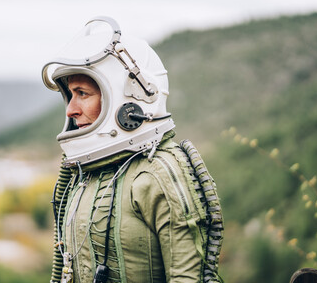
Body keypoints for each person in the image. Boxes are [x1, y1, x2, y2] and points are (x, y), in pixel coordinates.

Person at [41, 16, 223, 283]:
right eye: (70, 95)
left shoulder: (158, 173)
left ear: (126, 98)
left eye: (83, 93)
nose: (71, 109)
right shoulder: (84, 174)